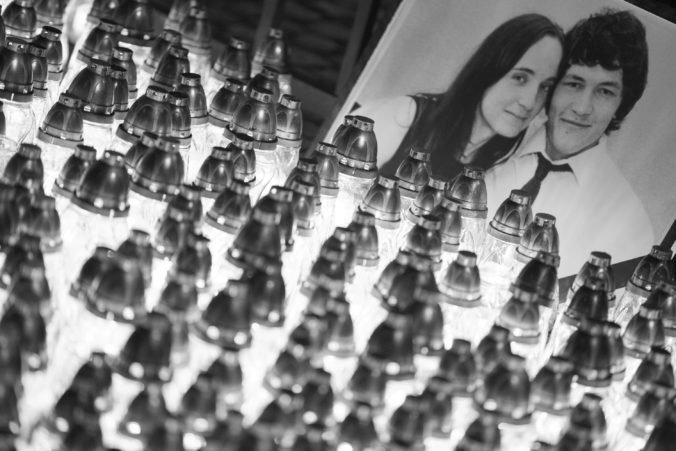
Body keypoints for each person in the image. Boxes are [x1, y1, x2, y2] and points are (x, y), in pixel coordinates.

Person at [484, 9, 654, 277]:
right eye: (574, 84)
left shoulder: (631, 225)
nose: (582, 108)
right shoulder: (487, 141)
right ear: (553, 86)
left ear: (621, 105)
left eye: (605, 91)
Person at [354, 13, 564, 179]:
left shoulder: (503, 166)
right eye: (520, 78)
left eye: (545, 87)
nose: (530, 102)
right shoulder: (405, 116)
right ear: (488, 69)